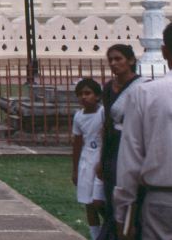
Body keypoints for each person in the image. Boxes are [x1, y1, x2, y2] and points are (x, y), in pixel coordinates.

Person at [114, 25, 172, 240]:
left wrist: (123, 211)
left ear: (164, 52)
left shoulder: (146, 94)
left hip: (162, 199)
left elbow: (130, 158)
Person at [99, 44, 142, 240]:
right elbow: (106, 123)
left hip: (131, 145)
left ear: (131, 60)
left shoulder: (141, 87)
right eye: (111, 60)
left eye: (118, 59)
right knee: (111, 196)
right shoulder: (109, 88)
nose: (114, 63)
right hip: (112, 147)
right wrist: (100, 159)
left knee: (128, 195)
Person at [72, 77, 106, 240]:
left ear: (97, 96)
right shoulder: (78, 116)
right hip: (86, 160)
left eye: (87, 93)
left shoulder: (103, 113)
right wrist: (75, 170)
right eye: (80, 94)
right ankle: (95, 235)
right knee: (88, 203)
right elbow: (78, 143)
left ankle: (111, 229)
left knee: (98, 200)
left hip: (101, 158)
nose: (83, 97)